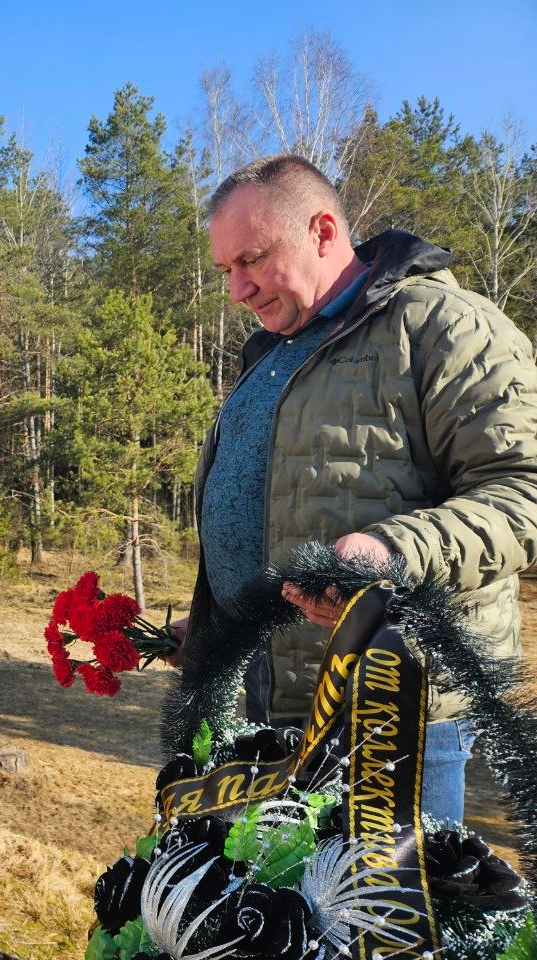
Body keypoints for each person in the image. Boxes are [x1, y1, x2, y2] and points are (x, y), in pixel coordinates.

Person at [167, 153, 537, 825]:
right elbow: (273, 502)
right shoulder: (271, 353)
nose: (237, 291)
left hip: (393, 712)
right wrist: (220, 618)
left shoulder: (446, 328)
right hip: (268, 707)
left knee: (386, 928)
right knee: (271, 921)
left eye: (251, 259)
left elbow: (522, 493)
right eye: (226, 270)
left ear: (324, 232)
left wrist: (390, 550)